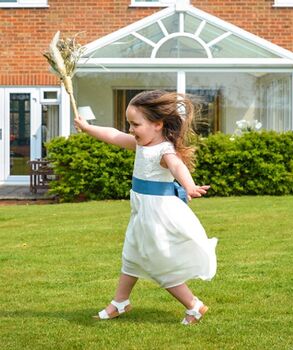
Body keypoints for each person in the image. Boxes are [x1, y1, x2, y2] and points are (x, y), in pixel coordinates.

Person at [74, 90, 217, 325]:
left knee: (157, 263)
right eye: (129, 124)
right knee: (131, 254)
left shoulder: (164, 150)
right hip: (142, 210)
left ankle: (194, 305)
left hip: (157, 214)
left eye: (135, 124)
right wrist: (88, 128)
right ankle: (120, 302)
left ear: (157, 124)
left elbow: (177, 167)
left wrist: (189, 186)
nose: (130, 129)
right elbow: (113, 135)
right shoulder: (142, 143)